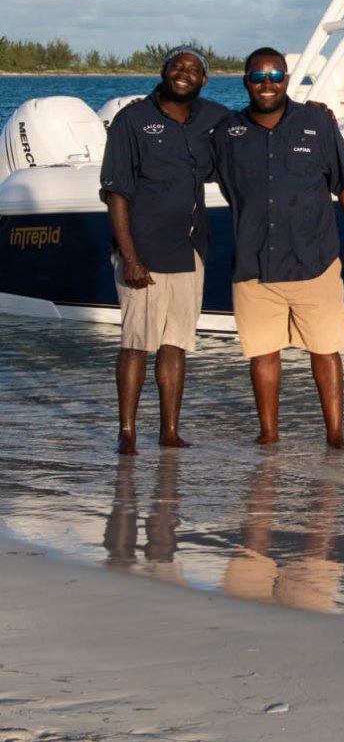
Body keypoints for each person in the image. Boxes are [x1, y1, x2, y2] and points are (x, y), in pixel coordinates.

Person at [212, 47, 344, 448]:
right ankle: (268, 434)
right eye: (258, 76)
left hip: (313, 259)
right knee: (263, 353)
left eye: (276, 75)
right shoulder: (227, 132)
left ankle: (335, 435)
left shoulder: (317, 121)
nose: (267, 84)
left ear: (287, 78)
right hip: (254, 263)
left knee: (326, 348)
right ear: (245, 81)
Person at [100, 47, 228, 454]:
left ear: (204, 80)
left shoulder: (214, 118)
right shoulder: (132, 120)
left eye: (194, 69)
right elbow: (116, 193)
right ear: (164, 71)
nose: (185, 73)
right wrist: (131, 257)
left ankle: (170, 431)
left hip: (190, 247)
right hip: (143, 249)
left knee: (176, 343)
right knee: (136, 342)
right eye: (178, 66)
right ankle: (127, 432)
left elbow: (258, 126)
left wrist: (314, 110)